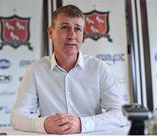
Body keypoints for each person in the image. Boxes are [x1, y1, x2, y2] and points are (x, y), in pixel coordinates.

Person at [11, 4, 127, 134]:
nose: (72, 36)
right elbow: (17, 118)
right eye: (65, 27)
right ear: (51, 33)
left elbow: (121, 114)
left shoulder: (99, 68)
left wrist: (82, 124)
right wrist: (44, 124)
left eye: (77, 29)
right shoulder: (35, 70)